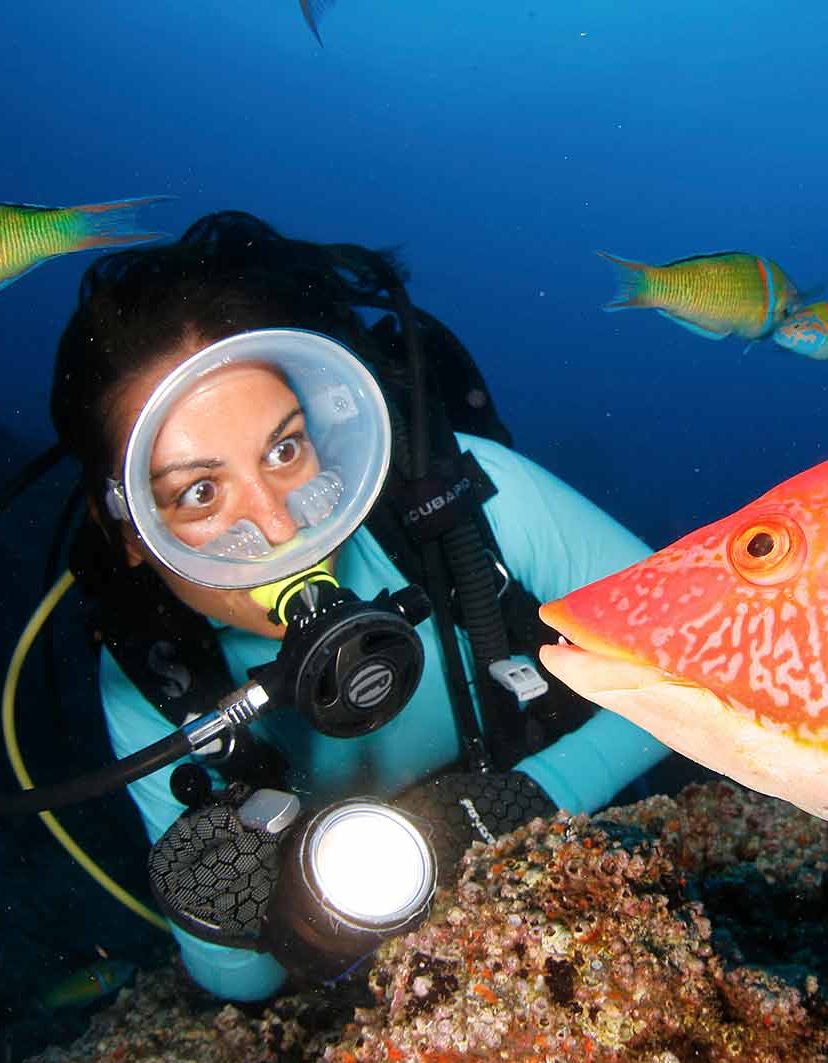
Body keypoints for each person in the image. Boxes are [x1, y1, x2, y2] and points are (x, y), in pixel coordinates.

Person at [48, 211, 669, 1000]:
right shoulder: (149, 676)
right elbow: (244, 983)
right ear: (127, 530)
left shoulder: (461, 492)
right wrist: (217, 916)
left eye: (284, 449)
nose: (280, 527)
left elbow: (697, 653)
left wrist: (541, 792)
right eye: (199, 492)